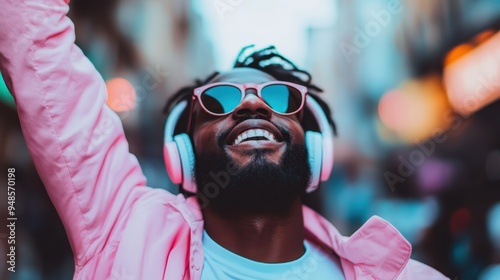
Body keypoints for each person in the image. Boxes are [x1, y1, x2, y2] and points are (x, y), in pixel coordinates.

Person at [0, 0, 448, 279]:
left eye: (279, 97)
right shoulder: (124, 231)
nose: (253, 106)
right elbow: (30, 30)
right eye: (217, 100)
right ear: (185, 155)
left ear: (316, 149)